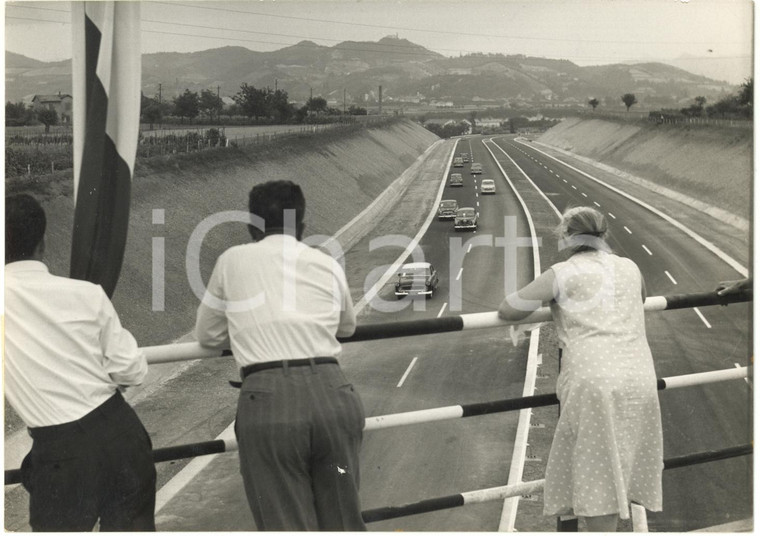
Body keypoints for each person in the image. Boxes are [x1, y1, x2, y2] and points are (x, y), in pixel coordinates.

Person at [195, 180, 365, 531]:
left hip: (269, 398)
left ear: (251, 227)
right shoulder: (326, 262)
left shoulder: (231, 260)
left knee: (285, 520)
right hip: (333, 394)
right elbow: (346, 327)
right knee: (343, 518)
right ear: (301, 227)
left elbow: (208, 336)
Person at [497, 206, 663, 532]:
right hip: (639, 376)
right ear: (604, 236)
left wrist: (555, 303)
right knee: (622, 464)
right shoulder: (630, 267)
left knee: (598, 478)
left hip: (595, 383)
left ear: (567, 238)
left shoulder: (564, 272)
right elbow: (640, 297)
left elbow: (509, 308)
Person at [4, 194, 156, 531]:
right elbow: (133, 369)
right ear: (42, 244)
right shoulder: (87, 294)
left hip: (61, 453)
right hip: (121, 433)